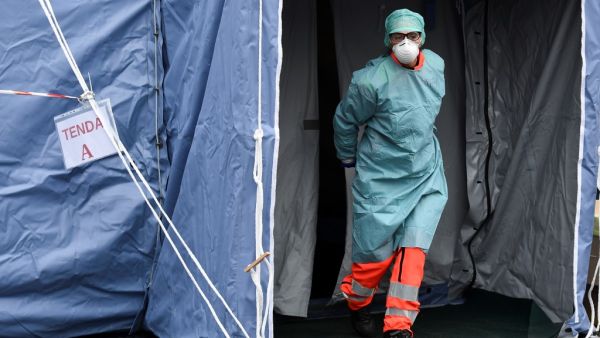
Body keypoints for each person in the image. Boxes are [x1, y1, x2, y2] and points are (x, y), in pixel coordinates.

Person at [333, 8, 447, 338]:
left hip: (426, 175)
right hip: (381, 179)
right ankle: (357, 302)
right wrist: (347, 158)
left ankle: (398, 327)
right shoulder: (370, 82)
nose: (406, 43)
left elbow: (424, 111)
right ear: (388, 41)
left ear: (423, 38)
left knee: (413, 251)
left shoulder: (436, 66)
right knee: (372, 260)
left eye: (413, 35)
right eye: (398, 36)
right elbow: (345, 121)